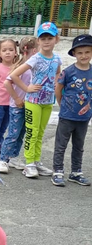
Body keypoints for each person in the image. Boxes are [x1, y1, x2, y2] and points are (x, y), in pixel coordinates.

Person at [10, 21, 61, 178]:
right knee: (32, 132)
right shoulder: (35, 58)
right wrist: (27, 89)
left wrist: (56, 86)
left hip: (48, 101)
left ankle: (36, 161)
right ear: (38, 41)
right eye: (43, 38)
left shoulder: (57, 59)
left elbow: (58, 74)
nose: (46, 41)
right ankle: (29, 163)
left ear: (56, 39)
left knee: (40, 132)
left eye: (50, 38)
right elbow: (14, 75)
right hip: (33, 101)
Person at [51, 33, 92, 187]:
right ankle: (58, 171)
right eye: (80, 52)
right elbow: (58, 88)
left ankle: (76, 172)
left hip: (84, 117)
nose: (84, 55)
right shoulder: (68, 71)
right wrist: (62, 104)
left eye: (87, 52)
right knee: (61, 145)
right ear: (74, 53)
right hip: (67, 116)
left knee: (79, 146)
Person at [0, 36, 39, 173]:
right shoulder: (21, 67)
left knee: (21, 133)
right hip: (17, 106)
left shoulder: (34, 67)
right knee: (13, 133)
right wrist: (17, 99)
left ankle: (13, 157)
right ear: (33, 51)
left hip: (30, 105)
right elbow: (7, 83)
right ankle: (2, 159)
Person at [0, 38, 19, 156]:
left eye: (11, 50)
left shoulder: (17, 68)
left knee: (3, 129)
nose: (7, 53)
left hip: (11, 104)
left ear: (15, 52)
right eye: (4, 50)